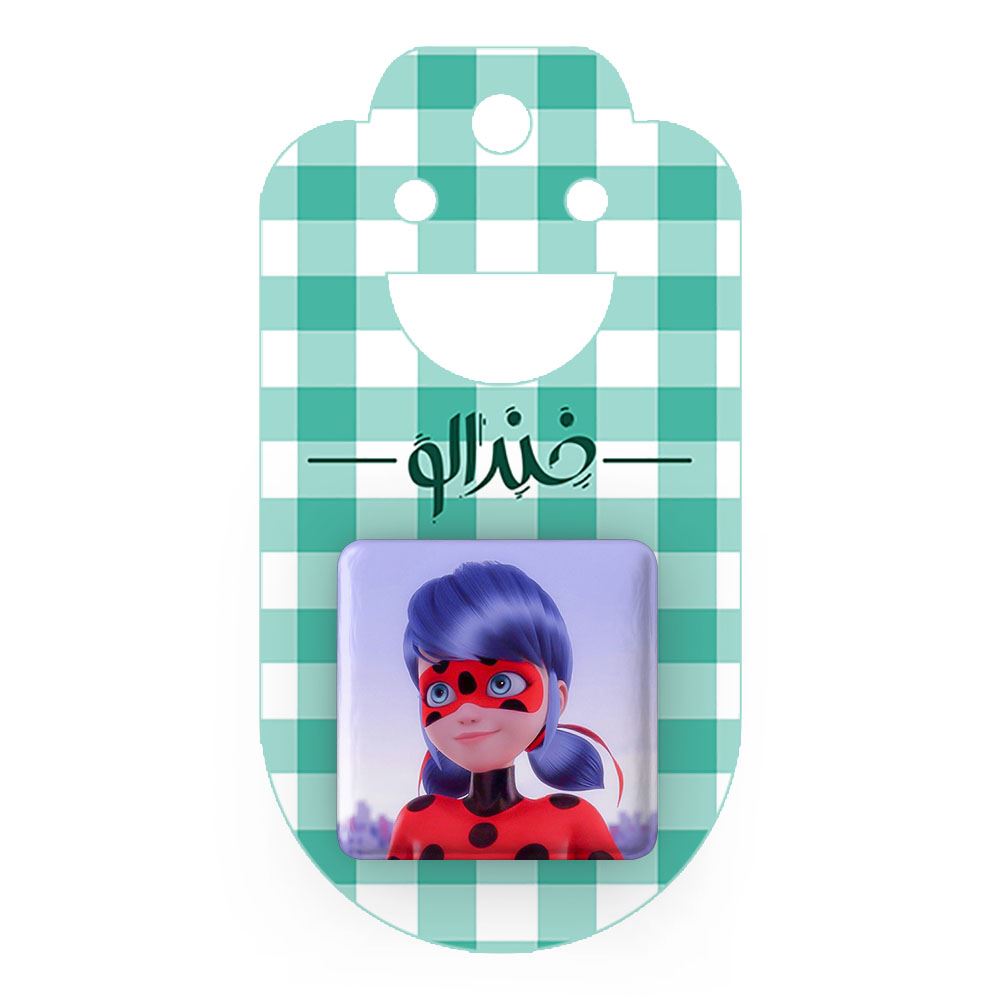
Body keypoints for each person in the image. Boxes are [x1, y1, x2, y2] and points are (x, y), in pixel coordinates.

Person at [387, 560, 623, 860]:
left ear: (556, 697)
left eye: (501, 683)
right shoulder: (417, 822)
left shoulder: (575, 822)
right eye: (440, 692)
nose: (467, 712)